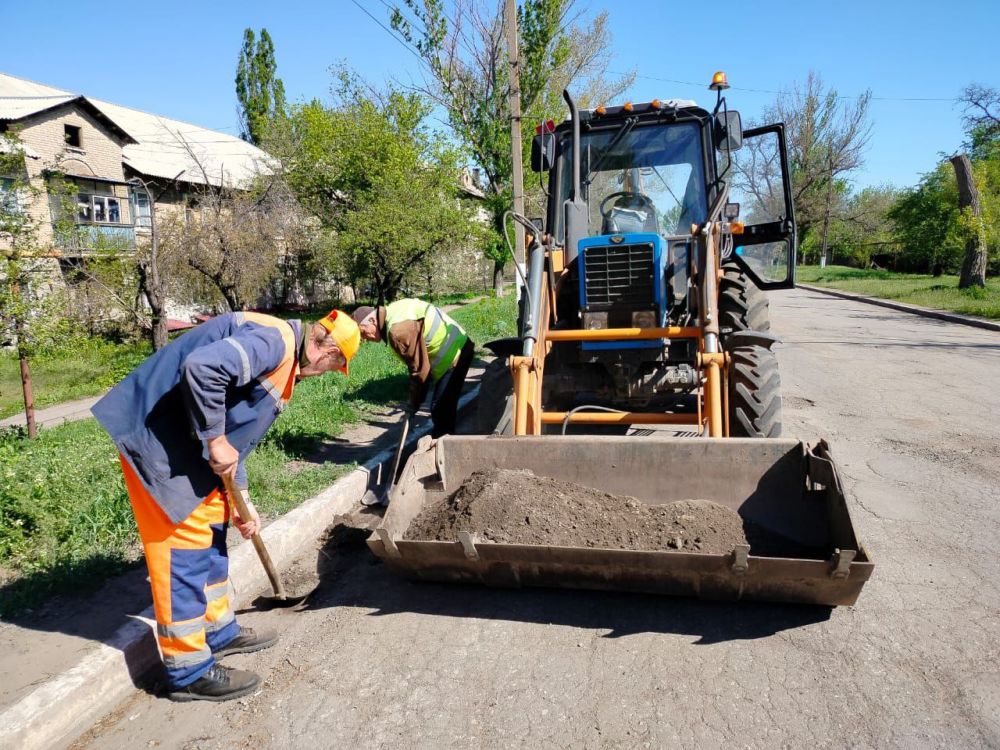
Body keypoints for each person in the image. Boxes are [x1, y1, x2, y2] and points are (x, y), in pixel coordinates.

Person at [91, 310, 360, 702]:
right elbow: (202, 369)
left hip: (185, 445)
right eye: (335, 367)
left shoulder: (282, 354)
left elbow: (235, 433)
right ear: (326, 352)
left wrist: (241, 497)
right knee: (184, 549)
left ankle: (218, 629)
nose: (325, 374)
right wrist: (215, 441)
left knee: (214, 529)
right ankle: (188, 669)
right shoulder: (276, 342)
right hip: (157, 439)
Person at [352, 299, 474, 438]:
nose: (365, 339)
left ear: (372, 320)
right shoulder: (393, 312)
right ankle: (444, 443)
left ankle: (445, 448)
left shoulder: (398, 331)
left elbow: (420, 371)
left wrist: (413, 404)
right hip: (456, 347)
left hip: (455, 353)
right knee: (442, 410)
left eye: (363, 332)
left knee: (441, 411)